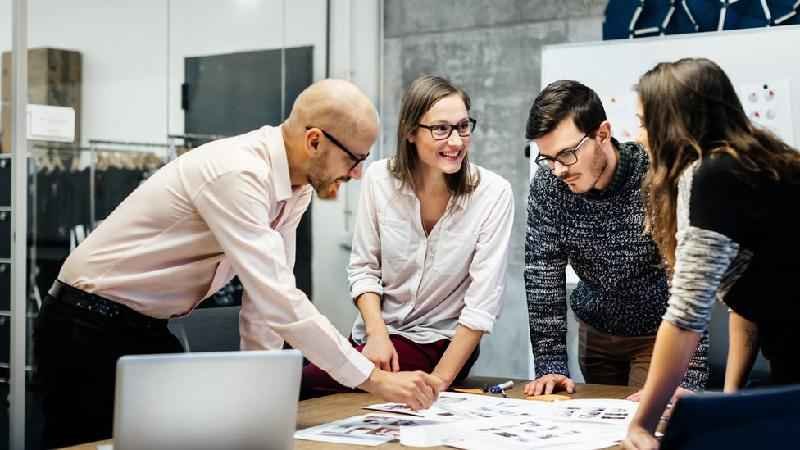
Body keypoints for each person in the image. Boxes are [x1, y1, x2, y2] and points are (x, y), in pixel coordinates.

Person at [33, 79, 441, 449]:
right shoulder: (238, 173)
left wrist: (260, 399)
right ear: (315, 141)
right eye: (354, 159)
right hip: (85, 323)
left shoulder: (295, 190)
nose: (357, 174)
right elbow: (280, 299)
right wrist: (373, 378)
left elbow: (266, 304)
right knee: (83, 444)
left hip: (144, 327)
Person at [624, 58, 800, 449]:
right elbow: (751, 299)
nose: (639, 137)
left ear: (672, 124)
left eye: (644, 123)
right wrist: (730, 401)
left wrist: (642, 424)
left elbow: (685, 318)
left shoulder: (711, 176)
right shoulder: (764, 161)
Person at [301, 75, 514, 398]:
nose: (456, 141)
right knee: (304, 378)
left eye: (463, 127)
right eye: (441, 129)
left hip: (440, 343)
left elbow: (482, 304)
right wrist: (377, 335)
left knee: (304, 382)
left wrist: (439, 382)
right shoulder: (379, 180)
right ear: (411, 131)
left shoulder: (493, 194)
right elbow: (364, 269)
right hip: (375, 337)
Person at [522, 80, 709, 398]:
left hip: (658, 335)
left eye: (567, 154)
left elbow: (687, 278)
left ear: (602, 134)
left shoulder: (655, 176)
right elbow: (542, 272)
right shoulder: (549, 185)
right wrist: (550, 364)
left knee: (646, 420)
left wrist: (688, 379)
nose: (558, 170)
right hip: (595, 333)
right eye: (548, 158)